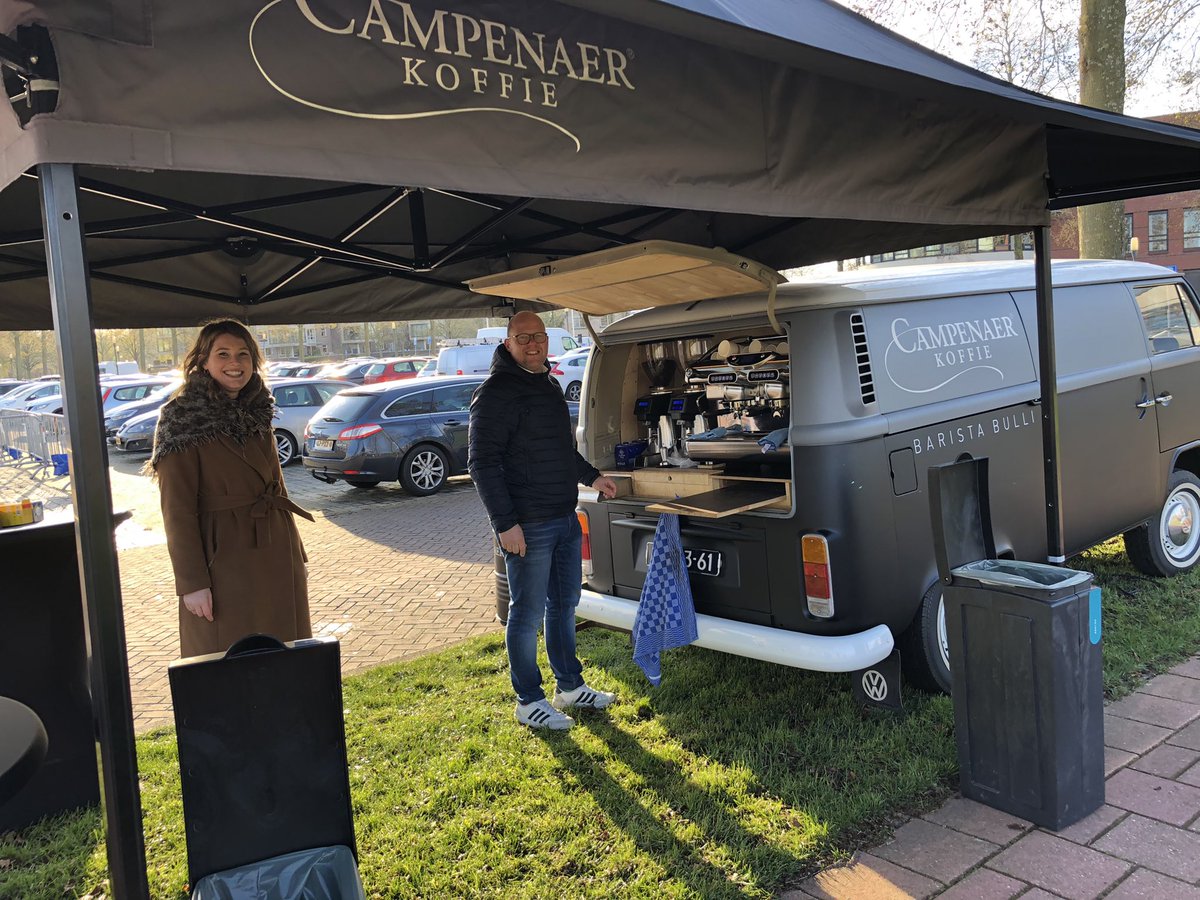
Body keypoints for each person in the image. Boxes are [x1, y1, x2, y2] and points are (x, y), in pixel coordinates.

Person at [469, 311, 619, 730]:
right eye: (523, 338)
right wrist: (505, 524)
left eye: (539, 336)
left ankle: (569, 686)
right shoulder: (495, 393)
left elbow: (560, 451)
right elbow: (481, 463)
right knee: (526, 615)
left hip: (564, 518)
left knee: (564, 606)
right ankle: (528, 701)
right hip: (527, 526)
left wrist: (593, 477)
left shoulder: (548, 384)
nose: (533, 344)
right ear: (508, 343)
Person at [149, 319, 314, 658]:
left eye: (243, 354)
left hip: (276, 548)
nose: (234, 363)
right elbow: (177, 510)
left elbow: (277, 486)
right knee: (226, 659)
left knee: (285, 656)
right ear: (203, 360)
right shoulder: (181, 417)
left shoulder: (258, 408)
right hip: (222, 560)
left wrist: (296, 555)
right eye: (223, 354)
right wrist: (192, 583)